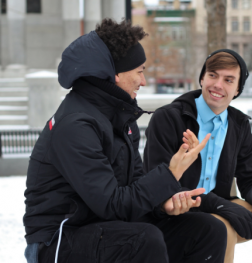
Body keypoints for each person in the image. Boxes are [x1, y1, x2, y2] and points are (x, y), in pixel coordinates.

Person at [23, 19, 228, 263]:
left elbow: (133, 187)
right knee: (143, 239)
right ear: (115, 74)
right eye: (140, 70)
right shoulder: (76, 124)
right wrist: (170, 173)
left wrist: (163, 204)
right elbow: (111, 204)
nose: (144, 81)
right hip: (58, 240)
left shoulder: (119, 118)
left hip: (107, 228)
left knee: (207, 230)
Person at [143, 49, 252, 263]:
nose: (218, 85)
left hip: (222, 208)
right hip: (178, 212)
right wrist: (220, 205)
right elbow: (158, 184)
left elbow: (251, 179)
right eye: (213, 75)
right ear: (202, 78)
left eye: (229, 80)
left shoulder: (238, 125)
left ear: (238, 88)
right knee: (221, 228)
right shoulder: (169, 118)